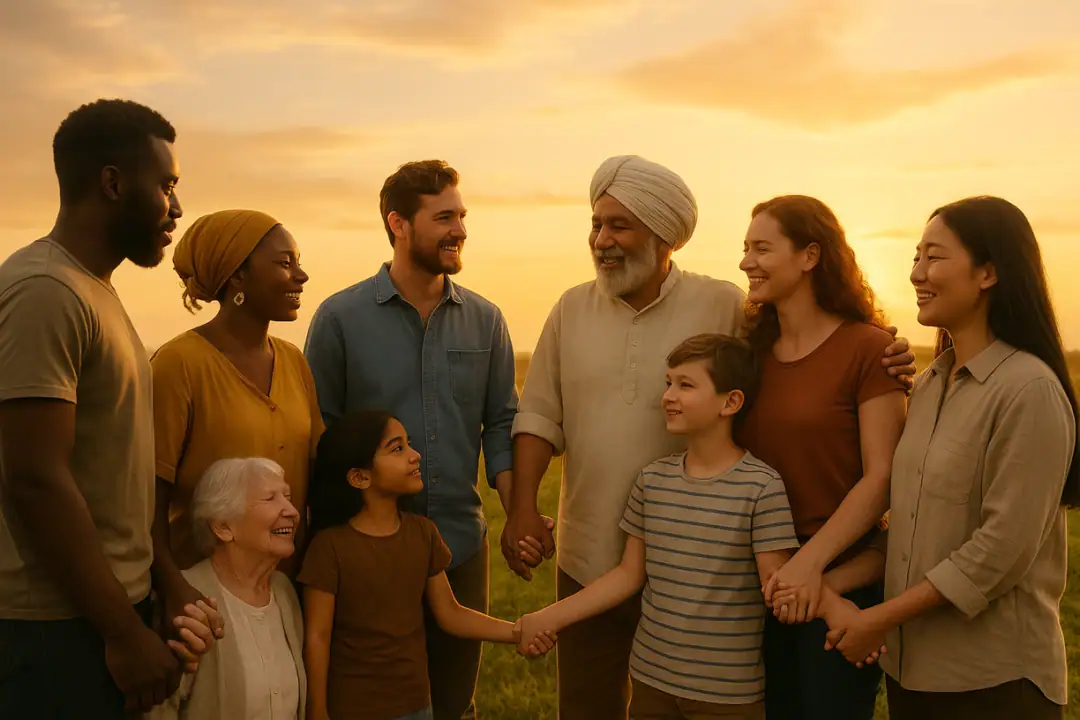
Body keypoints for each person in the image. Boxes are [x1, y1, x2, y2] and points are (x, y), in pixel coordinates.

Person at [505, 155, 916, 719]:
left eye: (619, 225)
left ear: (662, 235)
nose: (602, 240)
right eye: (596, 224)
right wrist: (523, 510)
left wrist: (882, 348)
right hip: (593, 552)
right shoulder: (572, 308)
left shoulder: (726, 307)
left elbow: (815, 358)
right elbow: (538, 417)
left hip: (714, 568)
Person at [0, 98, 219, 718]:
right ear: (113, 183)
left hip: (108, 611)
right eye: (167, 186)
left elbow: (118, 471)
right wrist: (122, 635)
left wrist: (161, 582)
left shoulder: (94, 293)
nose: (176, 208)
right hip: (53, 630)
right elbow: (35, 480)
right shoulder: (45, 292)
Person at [303, 160, 541, 720]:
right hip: (366, 556)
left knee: (454, 705)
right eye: (443, 217)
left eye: (461, 215)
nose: (459, 229)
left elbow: (502, 424)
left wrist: (518, 513)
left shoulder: (486, 319)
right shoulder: (340, 319)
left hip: (458, 545)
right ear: (399, 224)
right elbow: (321, 435)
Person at [824, 196, 1078, 720]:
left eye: (934, 257)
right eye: (915, 256)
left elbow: (998, 552)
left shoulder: (1028, 389)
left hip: (995, 682)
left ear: (988, 273)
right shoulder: (929, 386)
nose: (916, 272)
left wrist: (879, 619)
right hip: (913, 676)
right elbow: (911, 527)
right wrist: (824, 585)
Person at [518, 334, 801, 720]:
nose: (668, 396)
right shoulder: (652, 481)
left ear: (731, 402)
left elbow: (779, 586)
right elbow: (627, 576)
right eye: (668, 383)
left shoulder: (761, 487)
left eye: (685, 385)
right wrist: (549, 617)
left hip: (728, 698)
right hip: (652, 688)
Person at [732, 196, 907, 720]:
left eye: (762, 248)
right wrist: (783, 574)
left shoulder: (869, 349)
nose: (746, 262)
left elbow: (882, 476)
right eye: (745, 248)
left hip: (840, 572)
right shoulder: (748, 354)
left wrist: (808, 567)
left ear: (810, 256)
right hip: (757, 577)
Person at [298, 410, 554, 720]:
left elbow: (451, 613)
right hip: (352, 709)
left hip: (417, 706)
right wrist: (317, 709)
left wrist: (517, 631)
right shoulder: (329, 548)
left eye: (409, 444)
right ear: (359, 477)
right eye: (397, 448)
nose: (415, 455)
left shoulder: (422, 534)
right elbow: (317, 636)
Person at [151, 209, 324, 632]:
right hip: (205, 600)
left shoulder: (293, 362)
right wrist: (173, 589)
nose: (301, 276)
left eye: (298, 262)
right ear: (237, 277)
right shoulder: (179, 364)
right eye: (285, 264)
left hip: (282, 593)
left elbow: (315, 477)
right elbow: (146, 500)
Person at [149, 457, 307, 720]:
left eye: (288, 497)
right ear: (223, 527)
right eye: (270, 499)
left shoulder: (283, 590)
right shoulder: (184, 598)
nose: (291, 510)